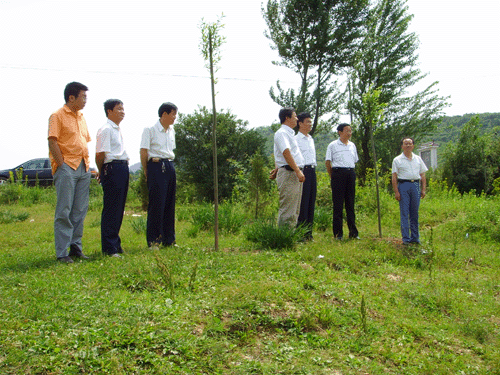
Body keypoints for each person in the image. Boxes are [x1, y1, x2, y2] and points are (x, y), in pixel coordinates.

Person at [48, 82, 91, 263]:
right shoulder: (57, 115)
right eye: (83, 96)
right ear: (71, 97)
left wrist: (89, 166)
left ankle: (75, 247)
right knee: (64, 210)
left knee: (79, 210)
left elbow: (84, 141)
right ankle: (62, 253)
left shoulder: (81, 117)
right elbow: (52, 141)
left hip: (83, 167)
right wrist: (62, 165)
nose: (85, 100)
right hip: (67, 167)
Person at [140, 102, 178, 248]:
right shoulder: (150, 130)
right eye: (173, 114)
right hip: (156, 165)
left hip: (169, 165)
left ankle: (169, 240)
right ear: (164, 114)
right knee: (157, 204)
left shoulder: (172, 130)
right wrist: (146, 170)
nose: (175, 117)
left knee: (169, 203)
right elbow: (143, 151)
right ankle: (154, 240)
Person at [95, 99, 129, 258]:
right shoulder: (106, 129)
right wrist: (102, 172)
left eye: (123, 109)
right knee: (111, 209)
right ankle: (109, 248)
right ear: (109, 111)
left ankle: (115, 243)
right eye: (119, 109)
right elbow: (100, 154)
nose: (122, 111)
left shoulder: (117, 129)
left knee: (119, 208)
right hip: (112, 168)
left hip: (122, 168)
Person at [272, 107, 305, 227]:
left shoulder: (289, 133)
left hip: (293, 173)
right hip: (289, 173)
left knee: (294, 209)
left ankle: (289, 238)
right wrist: (297, 171)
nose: (297, 118)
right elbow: (286, 153)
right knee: (288, 209)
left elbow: (279, 154)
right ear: (287, 118)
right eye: (295, 116)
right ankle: (283, 239)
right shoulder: (282, 133)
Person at [325, 123, 359, 240]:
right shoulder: (333, 145)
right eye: (346, 131)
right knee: (338, 205)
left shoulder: (352, 145)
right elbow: (328, 162)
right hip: (338, 174)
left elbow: (355, 161)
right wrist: (333, 176)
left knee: (350, 204)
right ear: (340, 132)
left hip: (350, 173)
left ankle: (353, 233)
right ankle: (338, 234)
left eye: (350, 131)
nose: (349, 133)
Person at [391, 137, 428, 245]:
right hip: (403, 185)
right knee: (404, 213)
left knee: (414, 213)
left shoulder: (418, 159)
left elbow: (423, 174)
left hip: (415, 185)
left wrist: (423, 189)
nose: (408, 145)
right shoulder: (397, 160)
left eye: (410, 143)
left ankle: (415, 238)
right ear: (402, 146)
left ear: (413, 146)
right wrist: (396, 191)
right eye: (405, 144)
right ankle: (406, 239)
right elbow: (394, 177)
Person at [295, 112, 316, 240]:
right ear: (300, 123)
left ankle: (309, 233)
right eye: (307, 121)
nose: (310, 124)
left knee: (311, 202)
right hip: (303, 171)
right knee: (303, 202)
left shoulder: (310, 138)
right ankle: (301, 233)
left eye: (310, 122)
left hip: (313, 171)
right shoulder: (296, 139)